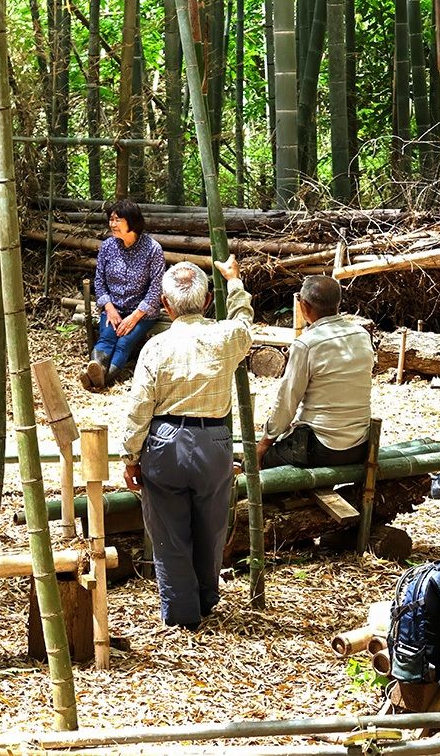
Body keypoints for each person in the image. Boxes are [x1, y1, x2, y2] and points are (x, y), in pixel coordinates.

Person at [122, 257, 252, 629]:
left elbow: (139, 408)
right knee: (212, 528)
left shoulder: (156, 347)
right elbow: (244, 321)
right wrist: (234, 282)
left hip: (165, 442)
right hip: (214, 441)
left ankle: (182, 614)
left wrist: (131, 456)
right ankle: (206, 599)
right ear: (208, 301)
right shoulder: (226, 337)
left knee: (168, 533)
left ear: (165, 304)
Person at [257, 275, 373, 470]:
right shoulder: (361, 335)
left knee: (265, 461)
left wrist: (265, 443)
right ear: (338, 303)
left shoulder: (307, 344)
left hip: (321, 448)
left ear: (304, 306)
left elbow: (287, 401)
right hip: (360, 445)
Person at [84, 198, 166, 391]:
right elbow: (99, 281)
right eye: (111, 219)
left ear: (132, 222)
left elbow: (156, 289)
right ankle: (97, 371)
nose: (112, 224)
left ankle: (100, 379)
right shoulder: (107, 247)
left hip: (142, 313)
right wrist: (109, 308)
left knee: (124, 342)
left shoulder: (152, 249)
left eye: (117, 220)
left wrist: (134, 317)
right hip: (113, 308)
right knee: (106, 337)